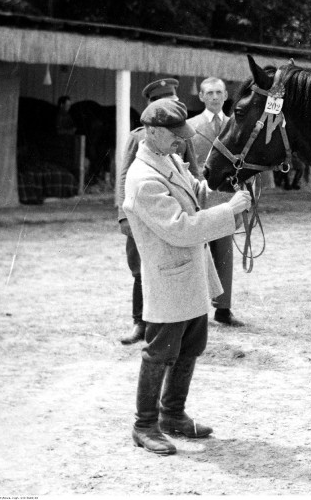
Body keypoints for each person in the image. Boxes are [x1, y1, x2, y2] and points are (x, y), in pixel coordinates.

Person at [123, 98, 252, 455]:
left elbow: (196, 194)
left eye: (181, 135)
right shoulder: (143, 179)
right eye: (173, 135)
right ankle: (145, 425)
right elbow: (180, 228)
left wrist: (229, 191)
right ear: (150, 132)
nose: (181, 141)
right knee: (160, 352)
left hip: (189, 273)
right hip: (169, 276)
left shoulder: (169, 160)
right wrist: (229, 211)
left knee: (191, 346)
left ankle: (173, 415)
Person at [116, 78, 197, 345]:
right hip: (141, 212)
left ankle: (174, 322)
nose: (173, 106)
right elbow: (124, 174)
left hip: (173, 208)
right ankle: (140, 323)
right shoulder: (138, 137)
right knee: (140, 269)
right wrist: (123, 215)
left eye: (175, 101)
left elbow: (192, 171)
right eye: (166, 102)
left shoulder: (181, 134)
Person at [187, 77, 243, 326]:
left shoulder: (236, 125)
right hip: (197, 198)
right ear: (201, 96)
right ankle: (195, 310)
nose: (214, 97)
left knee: (224, 254)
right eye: (209, 93)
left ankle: (223, 309)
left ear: (226, 95)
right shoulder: (189, 126)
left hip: (225, 199)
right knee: (197, 255)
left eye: (219, 92)